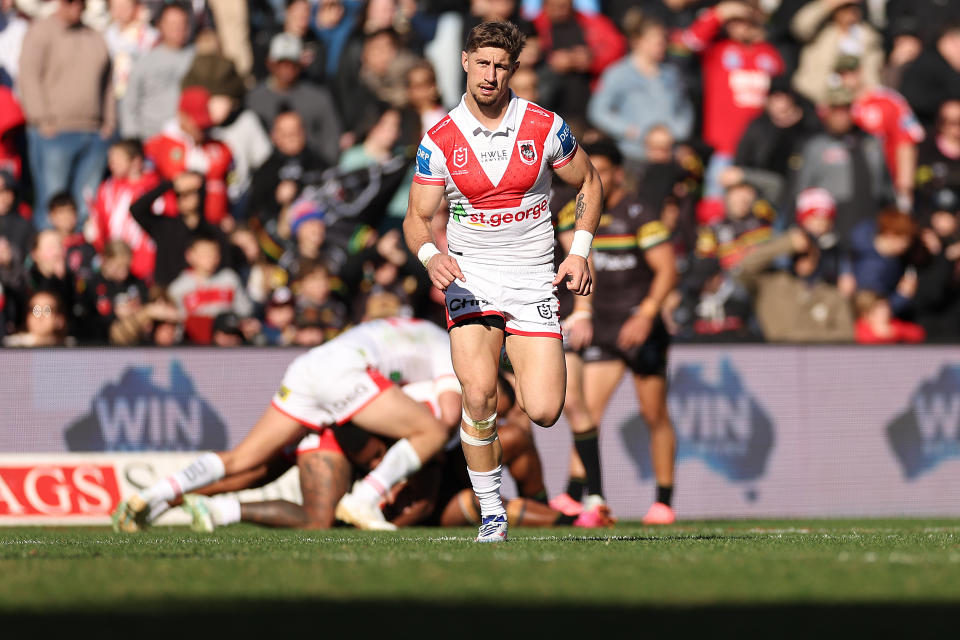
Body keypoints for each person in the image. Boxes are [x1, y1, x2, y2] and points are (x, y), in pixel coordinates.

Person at [399, 20, 602, 543]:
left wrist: (579, 252)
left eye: (501, 66)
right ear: (465, 61)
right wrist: (429, 256)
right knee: (479, 394)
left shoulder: (542, 125)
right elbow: (416, 216)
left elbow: (590, 181)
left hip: (533, 280)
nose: (491, 75)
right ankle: (492, 514)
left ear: (513, 70)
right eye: (483, 63)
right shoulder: (441, 138)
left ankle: (509, 364)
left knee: (544, 411)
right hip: (472, 281)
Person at [112, 317, 462, 533]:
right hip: (345, 371)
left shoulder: (421, 330)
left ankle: (152, 495)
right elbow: (447, 417)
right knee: (431, 430)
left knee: (242, 458)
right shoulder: (450, 346)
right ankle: (366, 498)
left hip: (309, 366)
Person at [574, 139, 679, 525]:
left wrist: (647, 314)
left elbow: (668, 270)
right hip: (603, 326)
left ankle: (663, 501)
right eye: (591, 168)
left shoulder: (639, 213)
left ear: (618, 173)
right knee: (586, 411)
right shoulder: (578, 211)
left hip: (641, 327)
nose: (596, 177)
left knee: (654, 414)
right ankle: (580, 498)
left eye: (603, 169)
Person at [19, 0, 115, 229]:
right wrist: (42, 119)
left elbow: (108, 84)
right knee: (52, 203)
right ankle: (45, 259)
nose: (76, 7)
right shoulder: (41, 32)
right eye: (71, 2)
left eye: (80, 3)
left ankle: (79, 257)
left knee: (85, 205)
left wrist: (109, 121)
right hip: (54, 132)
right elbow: (28, 76)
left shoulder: (94, 37)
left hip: (93, 132)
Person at [120, 1, 194, 140]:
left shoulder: (199, 60)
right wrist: (133, 141)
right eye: (172, 24)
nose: (178, 28)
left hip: (190, 140)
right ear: (160, 25)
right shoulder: (145, 62)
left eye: (182, 23)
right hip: (152, 140)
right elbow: (130, 104)